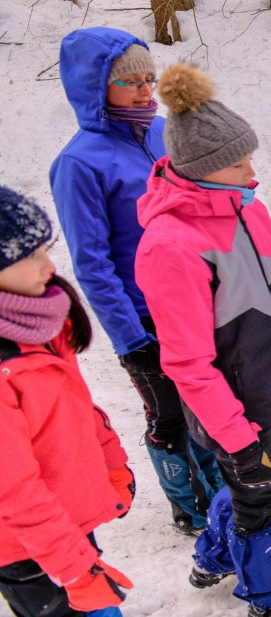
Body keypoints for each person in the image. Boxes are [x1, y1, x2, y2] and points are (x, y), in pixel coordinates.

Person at [134, 63, 271, 617]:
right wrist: (240, 444)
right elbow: (187, 363)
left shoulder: (249, 210)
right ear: (202, 170)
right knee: (260, 498)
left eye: (250, 155)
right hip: (231, 409)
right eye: (238, 161)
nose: (254, 170)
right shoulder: (170, 244)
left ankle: (216, 552)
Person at [49, 27, 225, 537]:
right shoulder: (79, 163)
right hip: (145, 315)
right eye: (130, 83)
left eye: (150, 79)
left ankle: (224, 497)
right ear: (95, 86)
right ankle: (192, 509)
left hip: (194, 296)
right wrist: (131, 339)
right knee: (169, 413)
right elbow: (93, 263)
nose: (146, 92)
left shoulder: (162, 132)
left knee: (211, 402)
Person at [0, 185, 134, 617]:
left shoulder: (38, 321)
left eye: (46, 249)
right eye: (30, 255)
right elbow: (11, 487)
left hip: (61, 525)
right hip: (19, 545)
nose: (50, 265)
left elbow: (76, 407)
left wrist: (111, 461)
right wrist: (76, 570)